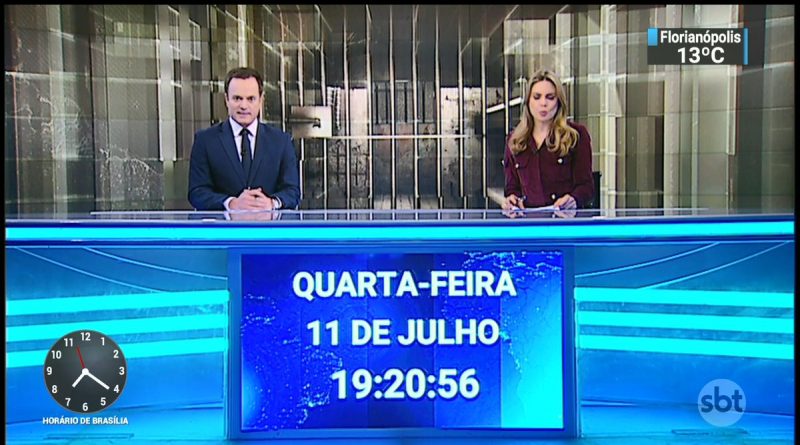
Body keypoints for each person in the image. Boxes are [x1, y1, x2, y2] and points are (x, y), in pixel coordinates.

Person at [188, 67, 301, 211]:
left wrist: (271, 203)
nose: (243, 106)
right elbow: (197, 192)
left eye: (251, 99)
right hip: (224, 225)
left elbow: (292, 191)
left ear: (261, 100)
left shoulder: (281, 141)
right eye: (237, 98)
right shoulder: (205, 141)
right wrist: (231, 203)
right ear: (226, 100)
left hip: (268, 224)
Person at [501, 69, 594, 213]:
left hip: (564, 222)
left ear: (559, 102)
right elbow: (512, 188)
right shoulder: (515, 140)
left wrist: (573, 199)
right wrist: (511, 200)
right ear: (528, 101)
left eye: (550, 97)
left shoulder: (576, 136)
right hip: (529, 223)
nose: (543, 103)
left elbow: (586, 187)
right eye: (537, 97)